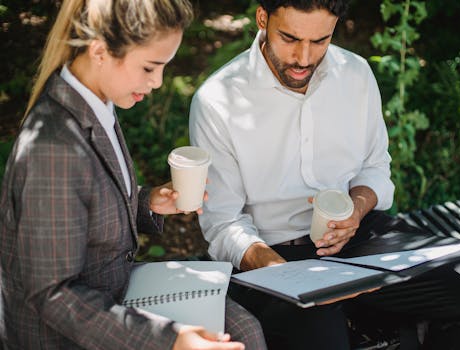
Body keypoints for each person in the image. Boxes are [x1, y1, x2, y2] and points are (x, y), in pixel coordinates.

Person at [189, 0, 460, 349]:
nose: (304, 58)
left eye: (320, 40)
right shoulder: (217, 100)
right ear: (262, 18)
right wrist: (282, 273)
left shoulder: (355, 75)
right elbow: (223, 222)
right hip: (272, 254)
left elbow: (374, 168)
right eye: (290, 38)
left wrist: (357, 210)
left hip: (357, 239)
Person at [0, 1, 268, 349]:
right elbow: (53, 294)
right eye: (149, 67)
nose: (157, 82)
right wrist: (168, 340)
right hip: (63, 331)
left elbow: (85, 202)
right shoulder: (53, 148)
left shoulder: (98, 101)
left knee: (243, 330)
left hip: (115, 289)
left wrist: (146, 202)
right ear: (100, 51)